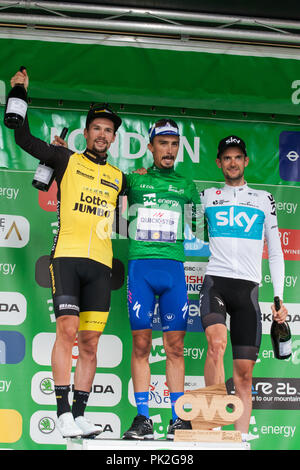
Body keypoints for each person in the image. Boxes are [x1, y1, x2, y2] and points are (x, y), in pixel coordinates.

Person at [11, 68, 126, 439]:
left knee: (91, 343)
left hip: (101, 265)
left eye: (109, 130)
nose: (103, 135)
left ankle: (80, 414)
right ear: (87, 132)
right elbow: (23, 137)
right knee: (68, 331)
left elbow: (127, 222)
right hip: (68, 258)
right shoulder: (66, 159)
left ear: (113, 137)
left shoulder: (121, 178)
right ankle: (61, 413)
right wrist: (19, 91)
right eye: (97, 128)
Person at [199, 135, 288, 440]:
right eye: (227, 157)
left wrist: (279, 297)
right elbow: (179, 217)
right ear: (219, 163)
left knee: (244, 375)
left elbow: (275, 251)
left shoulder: (263, 199)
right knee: (216, 344)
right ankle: (212, 425)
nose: (233, 162)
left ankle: (237, 438)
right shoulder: (207, 197)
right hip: (216, 282)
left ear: (246, 161)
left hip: (248, 290)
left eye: (238, 157)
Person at [122, 119, 201, 440]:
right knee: (141, 345)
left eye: (174, 144)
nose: (169, 150)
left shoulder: (186, 185)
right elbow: (112, 212)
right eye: (163, 143)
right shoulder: (133, 180)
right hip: (141, 268)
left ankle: (176, 419)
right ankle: (143, 419)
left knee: (176, 348)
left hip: (173, 270)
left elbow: (199, 228)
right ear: (151, 147)